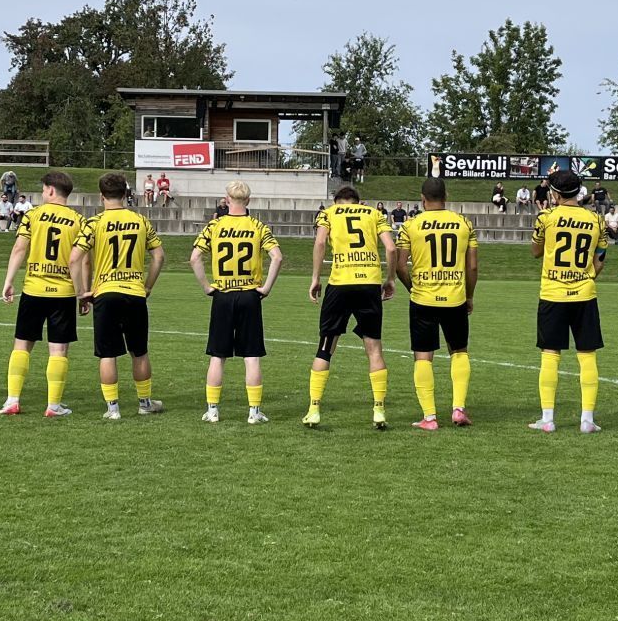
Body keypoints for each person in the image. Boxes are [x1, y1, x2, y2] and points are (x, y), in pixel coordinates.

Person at [73, 172, 165, 420]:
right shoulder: (141, 221)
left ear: (101, 196)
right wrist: (147, 286)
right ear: (125, 194)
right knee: (139, 351)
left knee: (107, 353)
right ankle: (144, 402)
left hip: (105, 293)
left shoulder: (94, 223)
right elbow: (159, 256)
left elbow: (74, 258)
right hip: (134, 293)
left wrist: (81, 292)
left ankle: (112, 409)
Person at [305, 185, 398, 430]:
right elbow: (391, 248)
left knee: (325, 346)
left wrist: (316, 277)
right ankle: (379, 409)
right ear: (358, 201)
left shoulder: (329, 213)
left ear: (337, 202)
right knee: (374, 347)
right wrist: (390, 279)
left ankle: (314, 408)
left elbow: (320, 242)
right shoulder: (374, 214)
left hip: (340, 283)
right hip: (369, 284)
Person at [190, 179, 282, 423]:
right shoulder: (258, 226)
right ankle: (254, 412)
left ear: (227, 199)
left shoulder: (214, 226)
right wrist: (266, 288)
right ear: (248, 201)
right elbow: (277, 257)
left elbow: (194, 258)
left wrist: (207, 287)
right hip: (250, 295)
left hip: (222, 295)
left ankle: (212, 411)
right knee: (251, 356)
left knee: (217, 355)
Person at [395, 176, 478, 430]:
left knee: (423, 356)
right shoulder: (464, 223)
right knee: (459, 351)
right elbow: (472, 266)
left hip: (423, 297)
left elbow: (399, 266)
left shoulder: (410, 225)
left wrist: (412, 288)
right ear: (446, 196)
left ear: (422, 198)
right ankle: (458, 409)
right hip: (455, 297)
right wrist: (469, 295)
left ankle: (429, 417)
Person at [529, 168, 607, 433]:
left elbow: (536, 251)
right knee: (587, 356)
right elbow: (600, 262)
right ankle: (587, 419)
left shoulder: (546, 217)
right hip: (585, 293)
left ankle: (548, 418)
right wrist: (583, 276)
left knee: (550, 355)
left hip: (553, 293)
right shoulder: (597, 220)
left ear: (555, 193)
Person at [0, 170, 81, 417]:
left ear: (51, 190)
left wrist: (9, 281)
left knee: (22, 345)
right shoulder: (78, 220)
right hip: (63, 292)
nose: (43, 193)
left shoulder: (32, 215)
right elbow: (81, 260)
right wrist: (81, 292)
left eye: (44, 190)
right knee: (58, 350)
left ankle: (12, 400)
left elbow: (18, 248)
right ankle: (53, 405)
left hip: (33, 289)